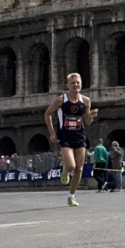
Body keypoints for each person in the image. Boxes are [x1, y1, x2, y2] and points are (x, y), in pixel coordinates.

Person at [44, 73, 98, 207]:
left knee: (79, 169)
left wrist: (91, 116)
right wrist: (52, 132)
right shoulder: (61, 100)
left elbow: (87, 121)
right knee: (71, 166)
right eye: (73, 83)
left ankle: (71, 196)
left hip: (79, 135)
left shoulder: (85, 100)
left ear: (81, 84)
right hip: (65, 136)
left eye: (78, 82)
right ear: (68, 85)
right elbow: (47, 113)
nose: (76, 85)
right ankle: (65, 170)